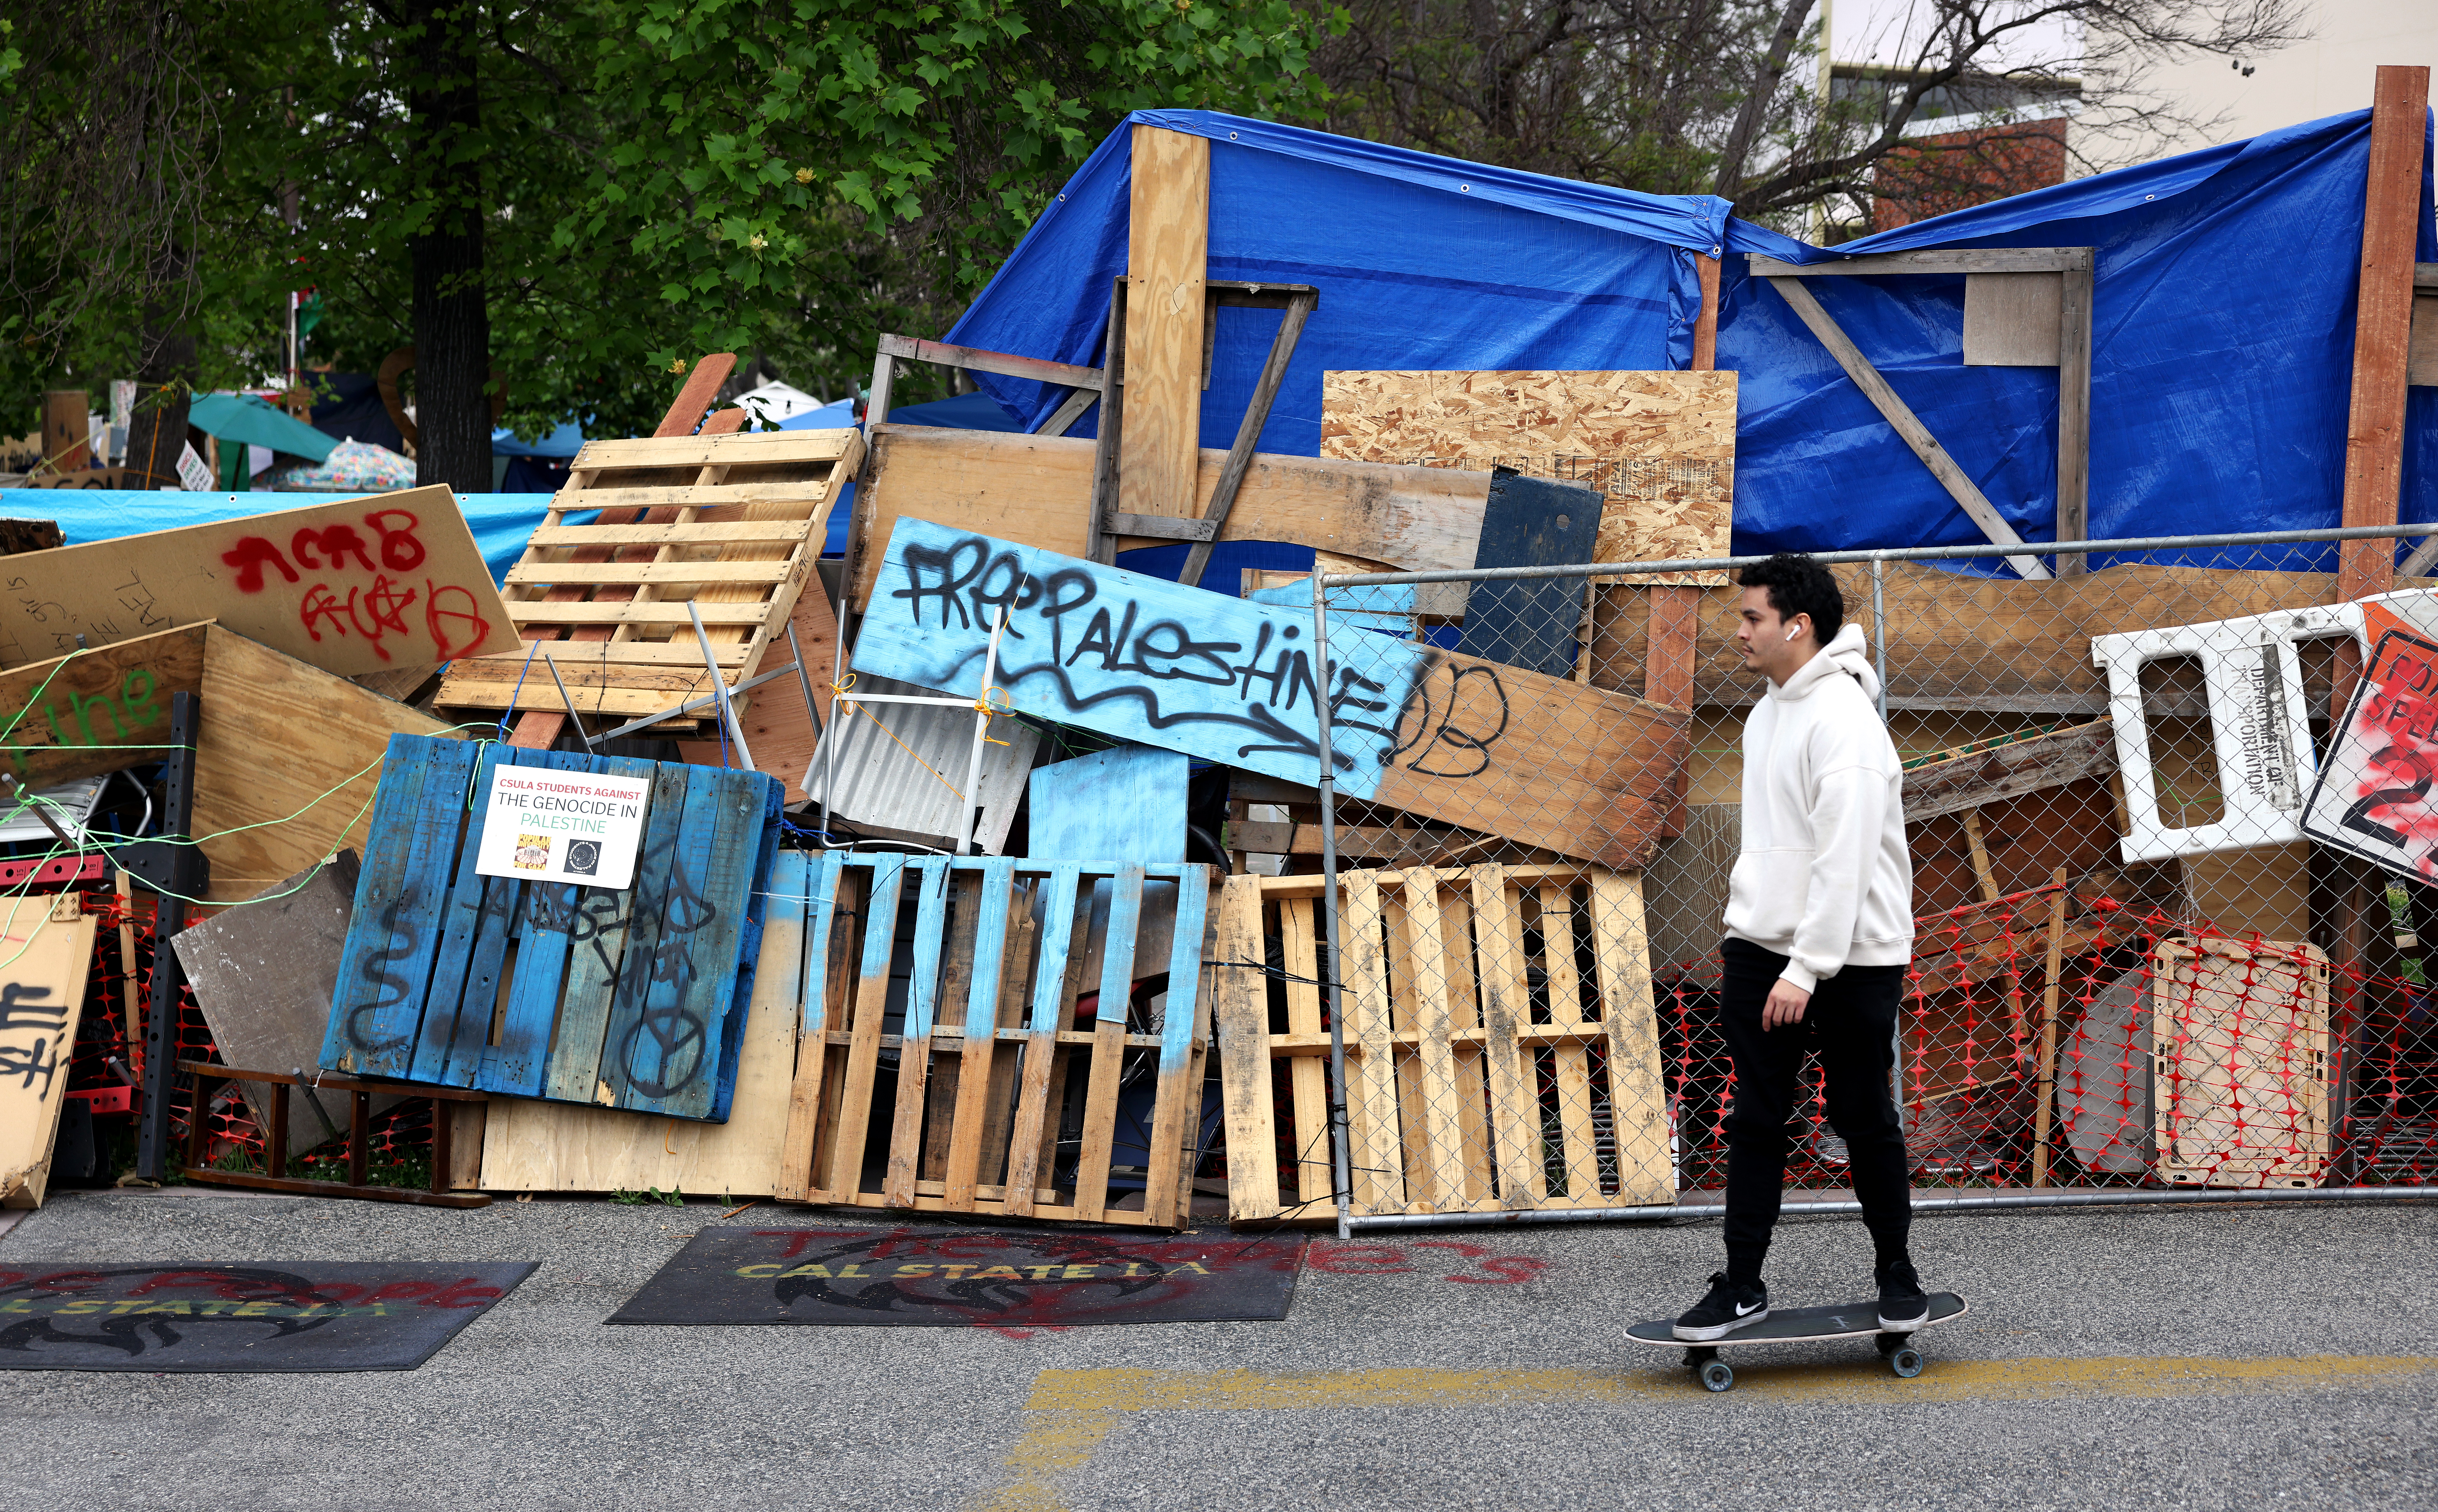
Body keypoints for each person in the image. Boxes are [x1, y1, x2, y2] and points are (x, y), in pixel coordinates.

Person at [1669, 551, 1926, 1343]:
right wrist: (1756, 937)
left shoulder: (1844, 722)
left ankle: (1898, 1274)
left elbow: (1842, 861)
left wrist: (1806, 969)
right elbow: (1778, 843)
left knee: (1861, 1113)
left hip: (1850, 955)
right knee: (1756, 1116)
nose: (1739, 631)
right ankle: (1742, 1284)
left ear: (1797, 625)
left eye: (1751, 617)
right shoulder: (1765, 714)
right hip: (1761, 945)